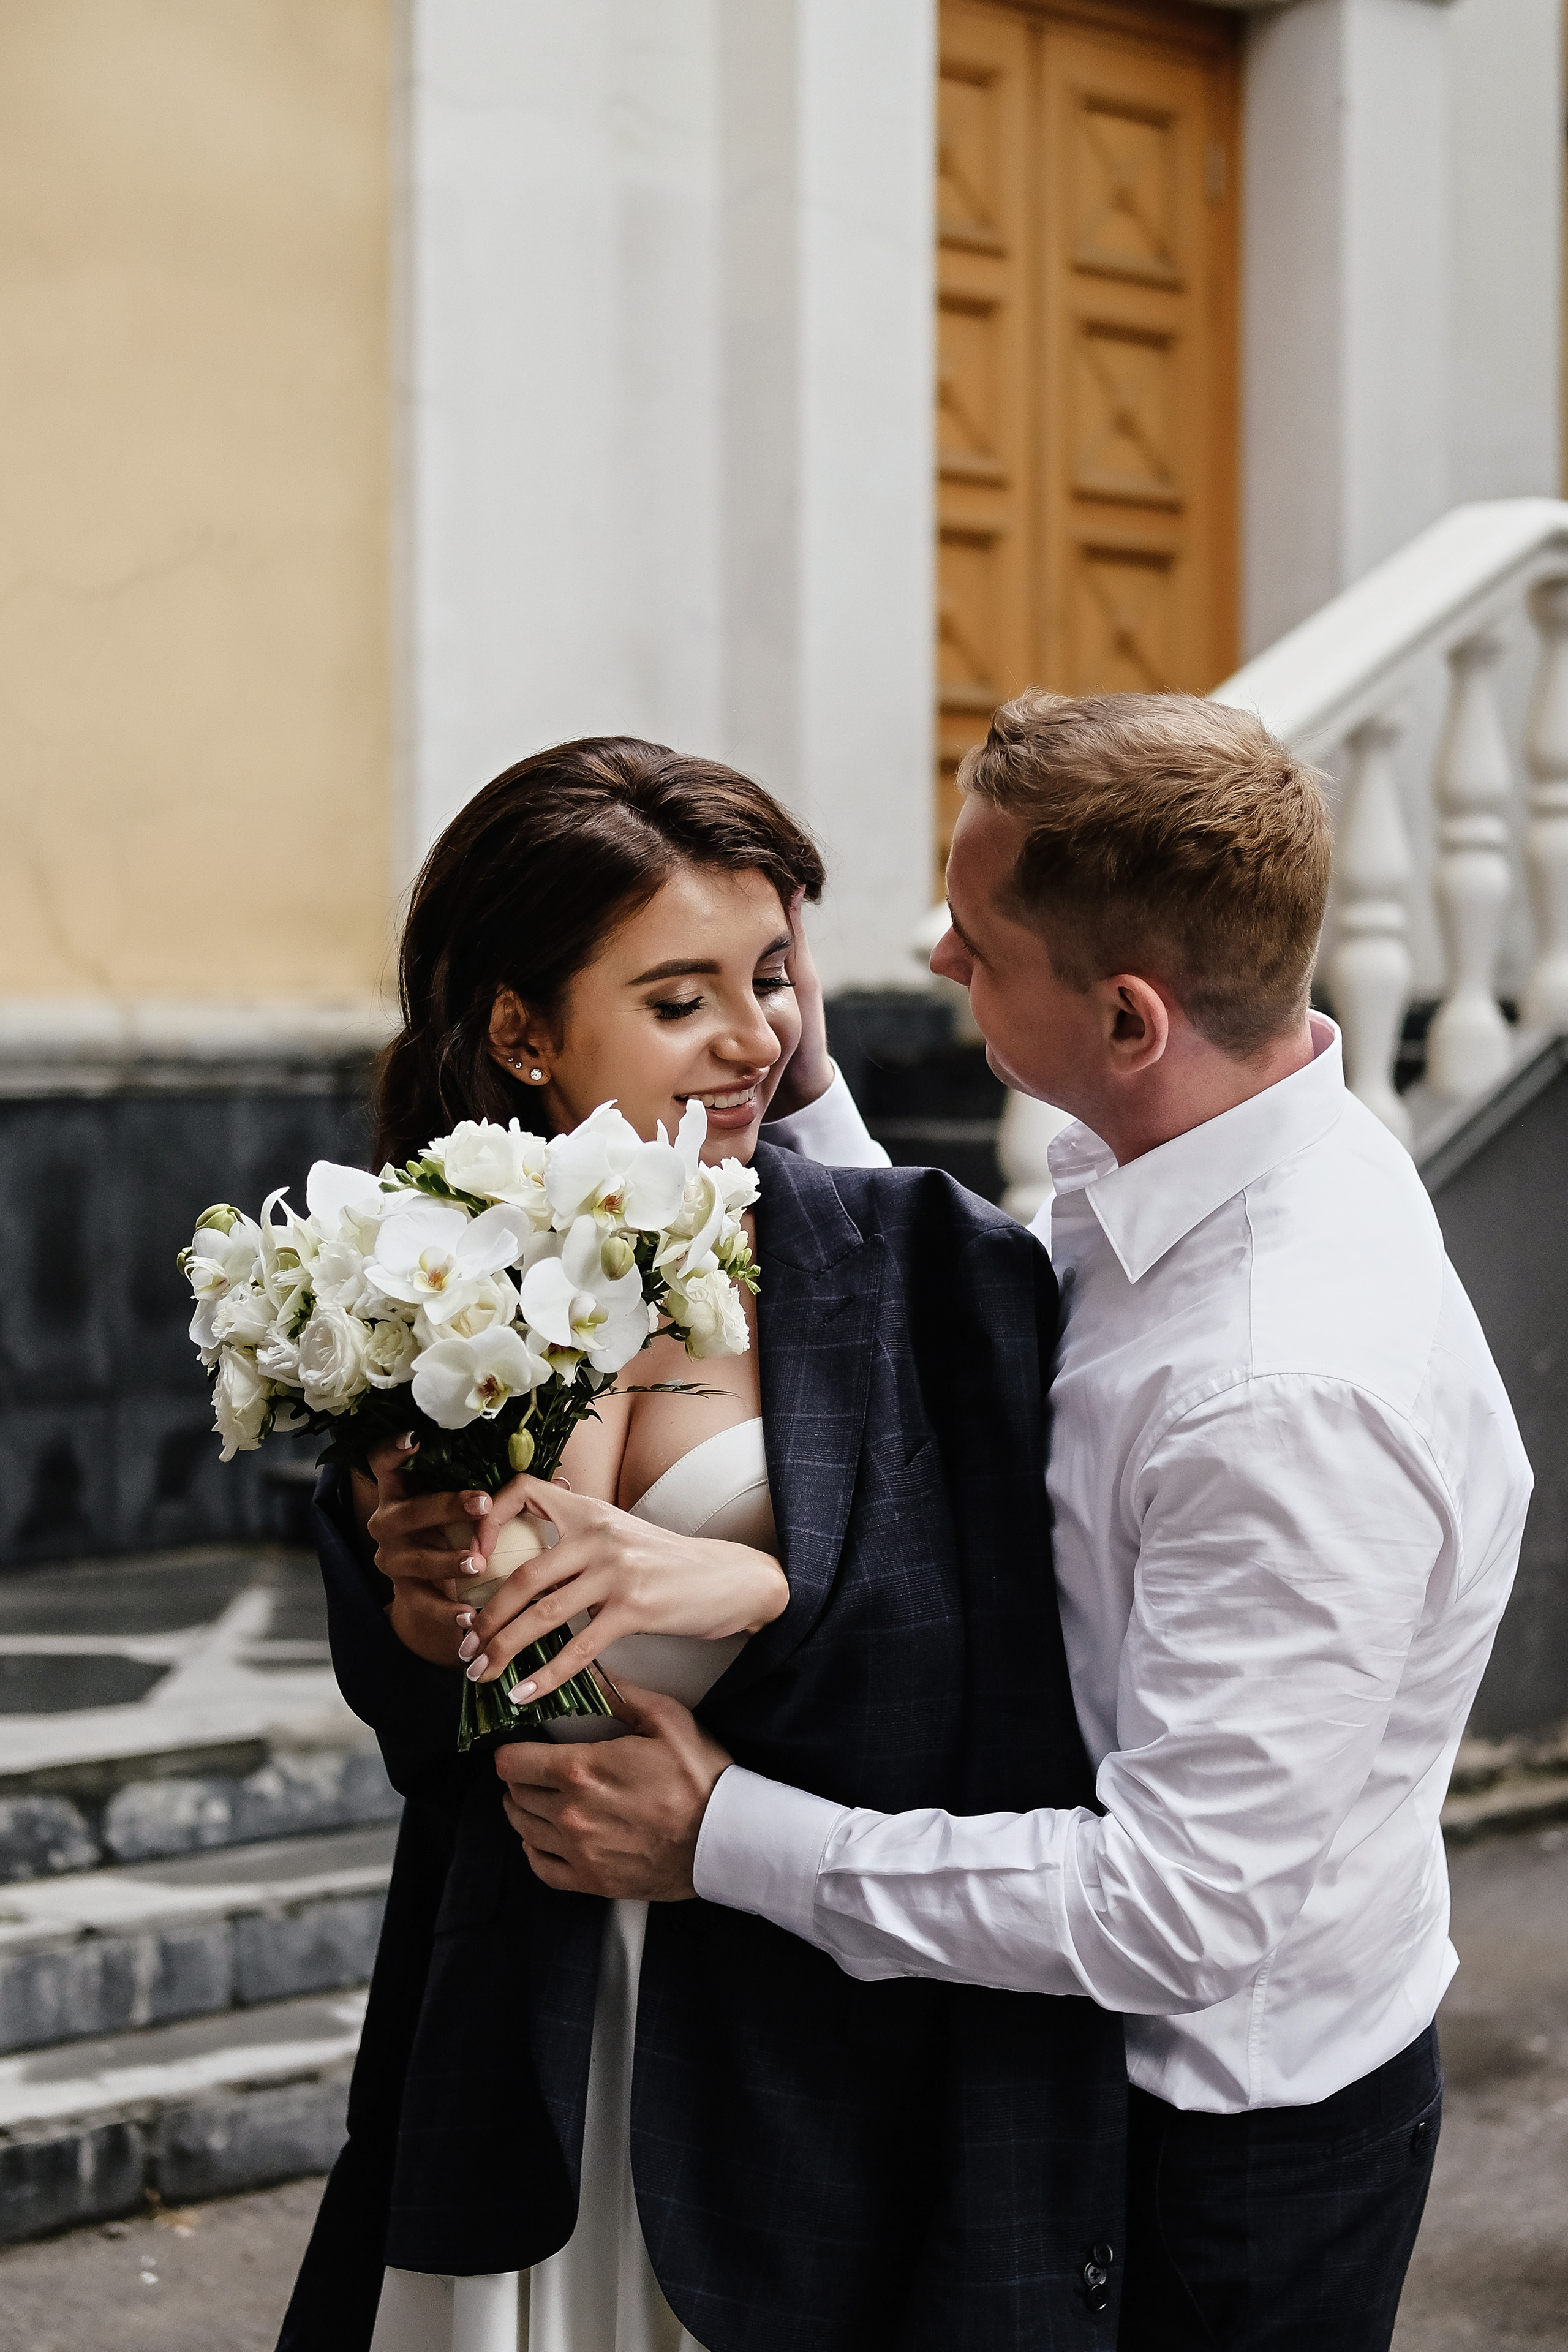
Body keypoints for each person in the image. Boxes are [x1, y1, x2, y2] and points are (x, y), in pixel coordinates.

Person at [503, 693, 1534, 2352]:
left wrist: (721, 1836)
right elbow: (995, 1344)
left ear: (1129, 1018)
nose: (934, 953)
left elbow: (1176, 1911)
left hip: (1216, 2159)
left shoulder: (1281, 1394)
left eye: (977, 942)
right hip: (1051, 2069)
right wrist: (801, 1096)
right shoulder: (1218, 1137)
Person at [276, 734, 1126, 2352]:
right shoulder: (415, 1285)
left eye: (774, 974)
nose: (760, 1042)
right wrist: (413, 1629)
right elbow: (446, 1748)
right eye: (682, 1000)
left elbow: (1009, 1714)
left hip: (814, 2085)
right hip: (522, 2061)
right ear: (521, 1029)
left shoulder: (939, 1270)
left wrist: (764, 1581)